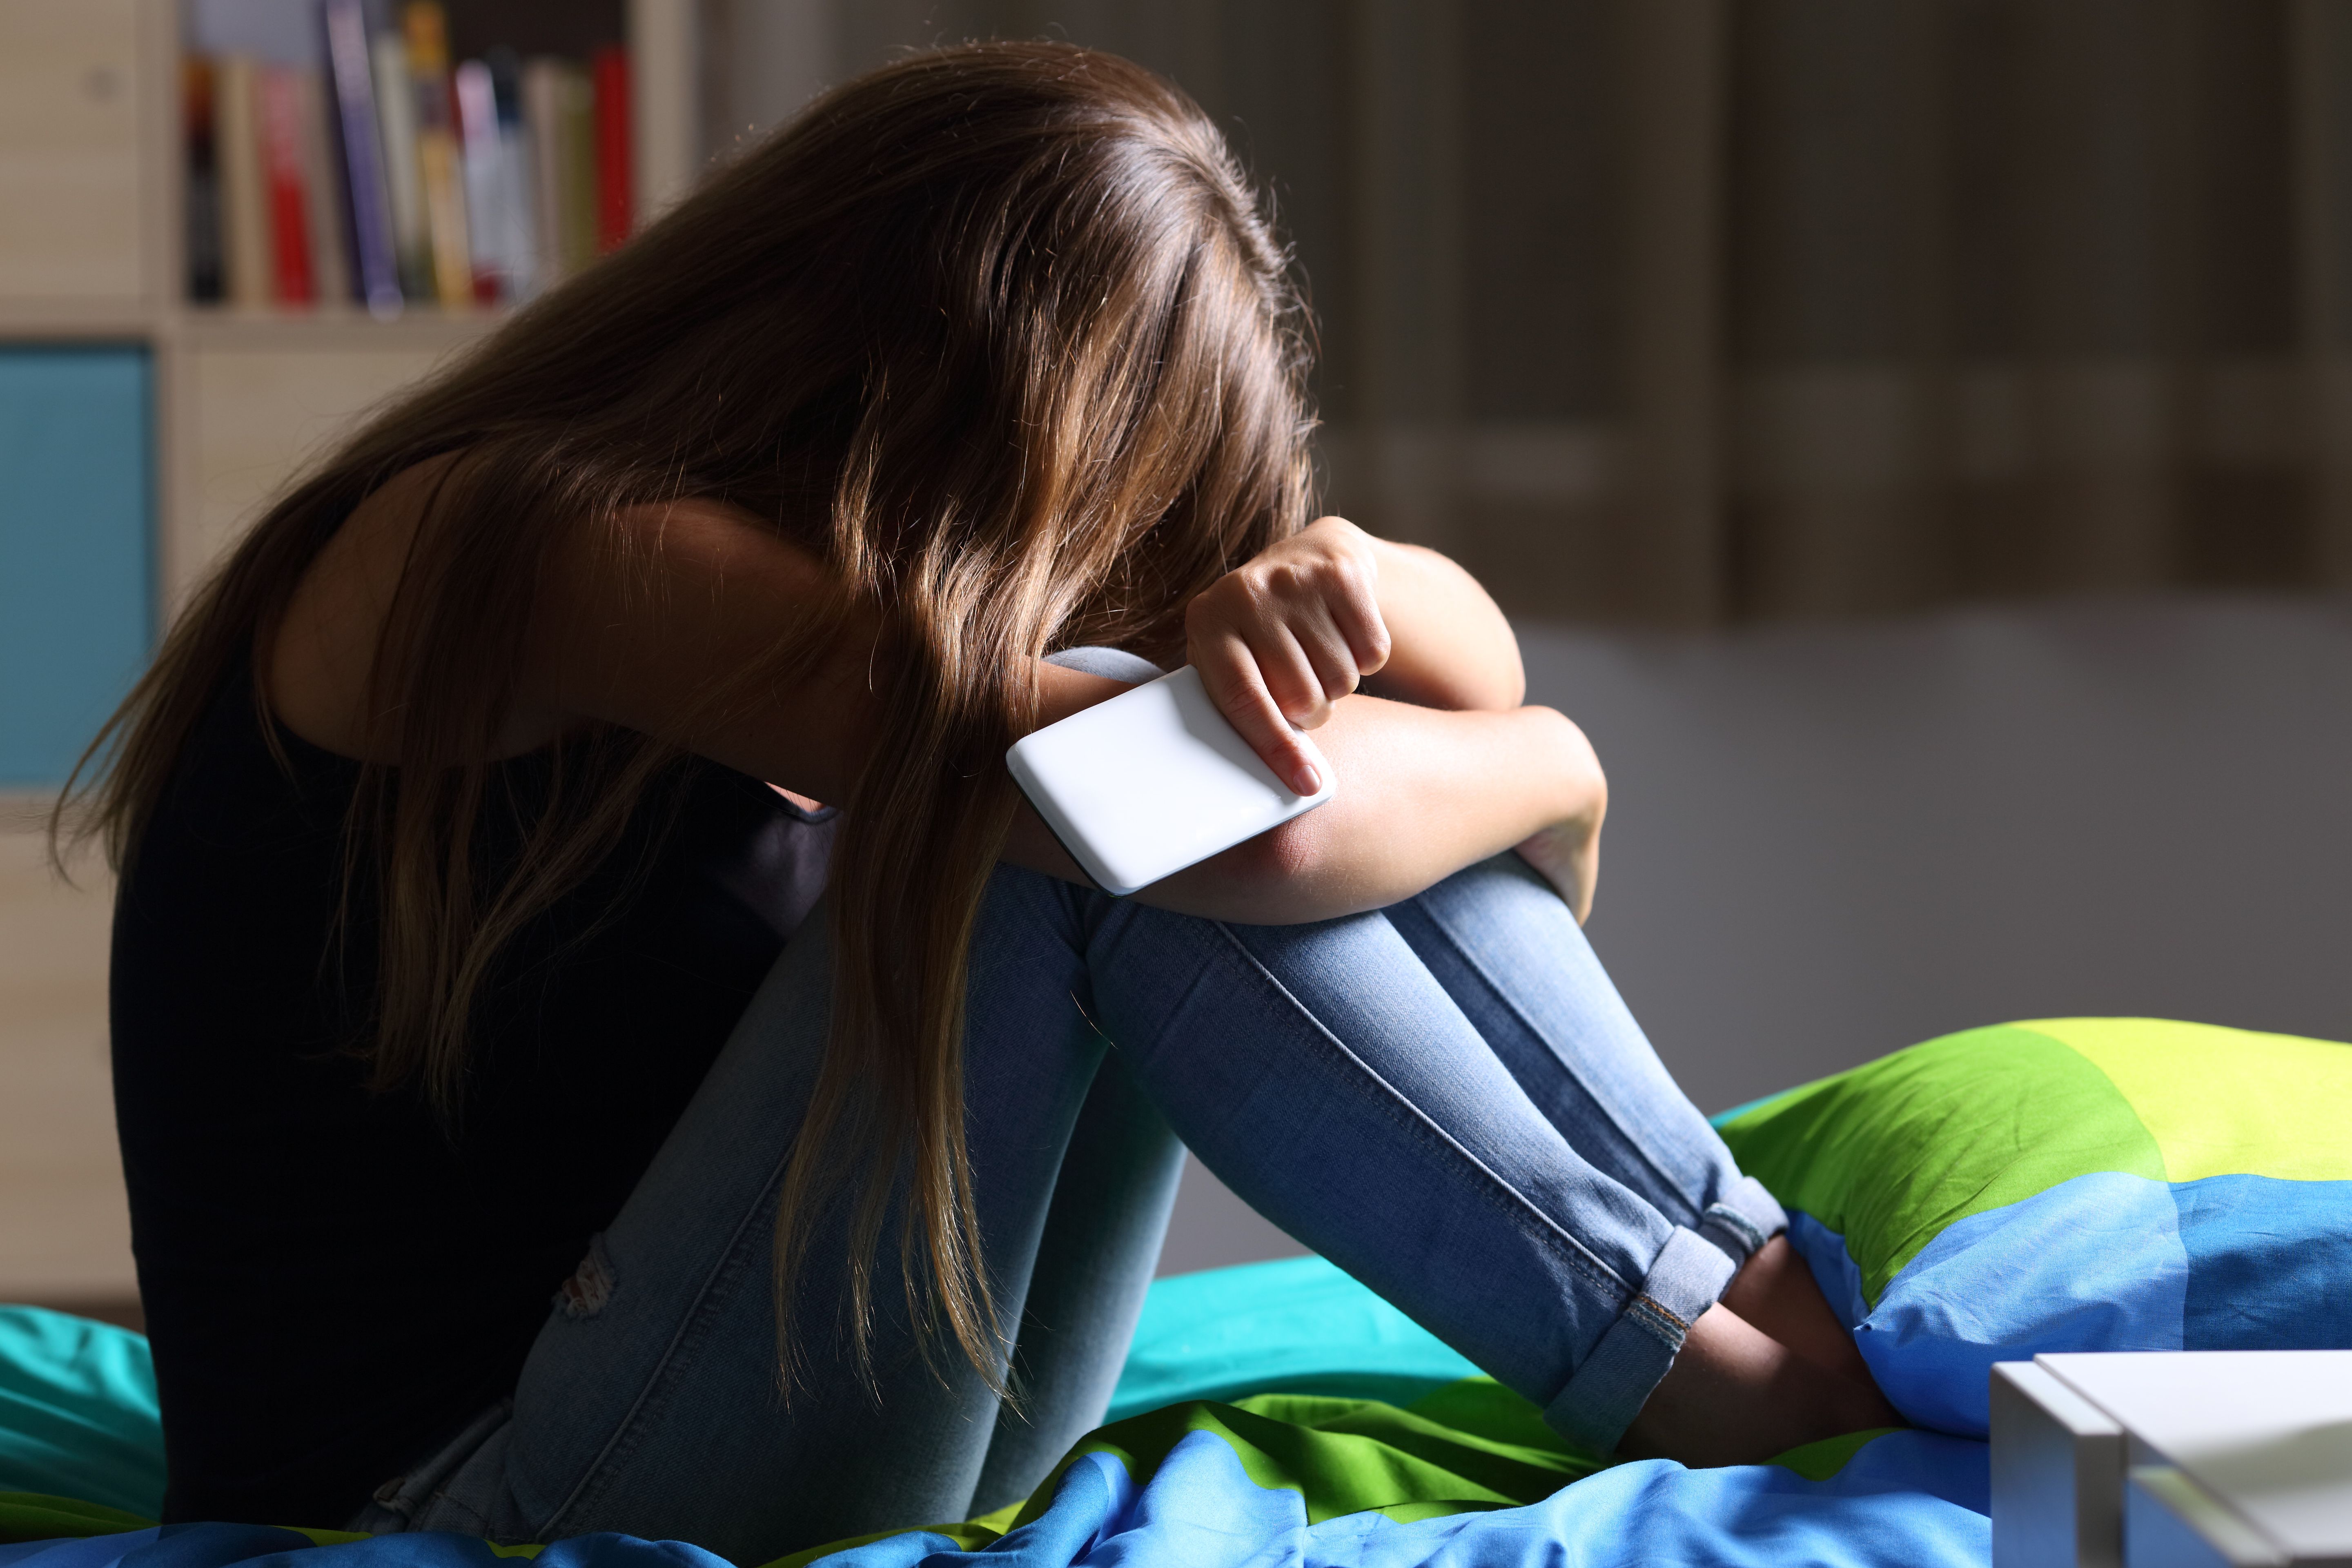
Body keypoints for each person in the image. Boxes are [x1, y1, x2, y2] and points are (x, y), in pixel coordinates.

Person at [62, 40, 1896, 1566]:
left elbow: (1445, 678)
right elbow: (1227, 835)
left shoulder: (841, 584)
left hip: (783, 1391)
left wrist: (1342, 577)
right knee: (1096, 824)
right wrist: (1561, 776)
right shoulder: (535, 545)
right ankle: (1717, 1359)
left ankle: (1739, 1280)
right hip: (474, 1499)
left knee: (1144, 765)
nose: (1083, 576)